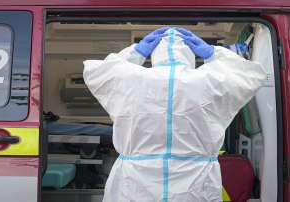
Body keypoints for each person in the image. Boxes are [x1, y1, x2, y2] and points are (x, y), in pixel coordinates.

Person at [83, 27, 266, 202]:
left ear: (155, 53)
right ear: (189, 53)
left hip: (136, 184)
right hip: (195, 185)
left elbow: (97, 73)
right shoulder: (209, 80)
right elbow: (251, 75)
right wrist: (212, 53)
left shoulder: (132, 80)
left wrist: (136, 53)